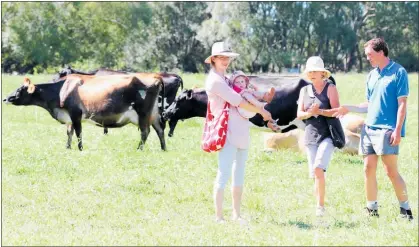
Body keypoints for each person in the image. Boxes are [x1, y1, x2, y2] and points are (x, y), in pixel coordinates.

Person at [333, 38, 413, 220]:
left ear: (381, 52)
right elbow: (368, 105)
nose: (367, 58)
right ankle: (371, 209)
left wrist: (397, 130)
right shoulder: (372, 75)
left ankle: (406, 211)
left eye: (369, 54)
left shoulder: (398, 73)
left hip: (387, 130)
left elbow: (402, 105)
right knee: (368, 168)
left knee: (390, 171)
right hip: (368, 130)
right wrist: (348, 108)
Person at [204, 41, 272, 224]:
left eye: (227, 57)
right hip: (226, 132)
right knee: (224, 173)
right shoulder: (215, 81)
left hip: (241, 128)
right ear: (214, 60)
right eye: (221, 57)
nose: (225, 60)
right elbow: (236, 101)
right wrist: (261, 111)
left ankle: (236, 214)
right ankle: (219, 217)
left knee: (239, 172)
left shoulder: (227, 79)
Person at [296, 56, 341, 217]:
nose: (312, 74)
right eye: (310, 71)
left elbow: (337, 111)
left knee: (318, 168)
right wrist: (310, 113)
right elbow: (299, 114)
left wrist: (320, 111)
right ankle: (318, 205)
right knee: (315, 174)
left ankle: (320, 207)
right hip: (310, 136)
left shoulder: (331, 88)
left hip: (328, 135)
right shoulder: (304, 91)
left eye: (315, 71)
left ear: (323, 73)